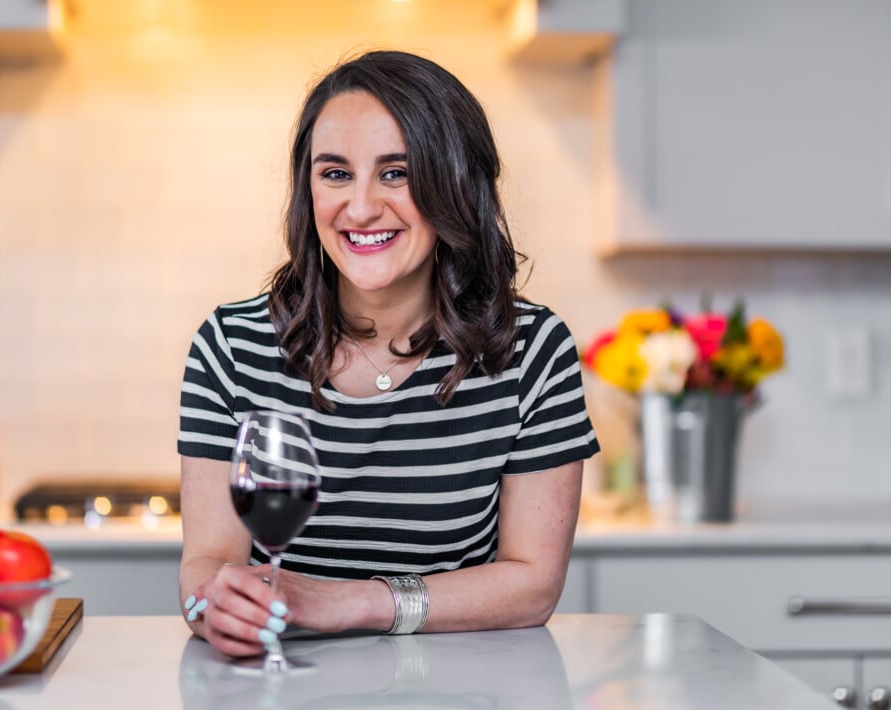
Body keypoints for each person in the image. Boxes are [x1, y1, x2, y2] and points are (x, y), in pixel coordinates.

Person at [177, 49, 599, 658]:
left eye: (396, 173)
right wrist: (211, 607)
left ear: (453, 184)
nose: (362, 207)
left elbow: (532, 585)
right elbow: (207, 563)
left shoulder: (532, 352)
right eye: (336, 173)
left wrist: (347, 603)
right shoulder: (231, 347)